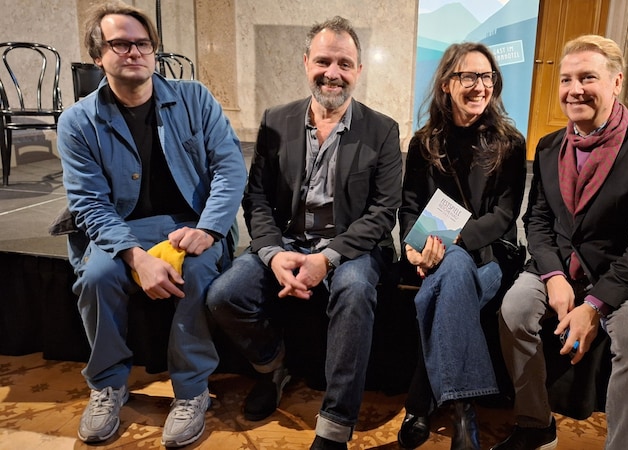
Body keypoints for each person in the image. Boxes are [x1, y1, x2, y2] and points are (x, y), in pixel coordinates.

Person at [205, 16, 402, 450]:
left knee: (353, 293)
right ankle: (272, 366)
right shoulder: (277, 120)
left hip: (352, 247)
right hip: (288, 241)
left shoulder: (382, 129)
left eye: (345, 64)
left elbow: (383, 212)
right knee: (224, 295)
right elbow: (256, 197)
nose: (333, 73)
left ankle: (334, 425)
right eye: (324, 61)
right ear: (305, 62)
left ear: (359, 71)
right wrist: (274, 254)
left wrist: (327, 258)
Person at [56, 1, 247, 447]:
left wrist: (210, 229)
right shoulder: (78, 122)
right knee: (99, 275)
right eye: (120, 43)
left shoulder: (195, 98)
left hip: (191, 223)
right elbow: (88, 202)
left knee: (198, 271)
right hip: (120, 227)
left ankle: (192, 391)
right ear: (97, 54)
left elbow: (230, 168)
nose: (133, 52)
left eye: (142, 43)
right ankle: (107, 384)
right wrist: (133, 256)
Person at [493, 34, 628, 450]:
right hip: (558, 263)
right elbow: (537, 220)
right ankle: (535, 423)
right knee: (515, 309)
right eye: (566, 79)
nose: (574, 89)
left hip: (623, 274)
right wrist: (554, 276)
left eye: (588, 78)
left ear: (616, 82)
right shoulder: (548, 147)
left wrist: (594, 306)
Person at [397, 42, 527, 450]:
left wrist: (449, 242)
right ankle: (463, 411)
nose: (479, 85)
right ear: (446, 84)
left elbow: (504, 217)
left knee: (446, 277)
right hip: (434, 253)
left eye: (487, 77)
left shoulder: (511, 142)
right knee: (450, 274)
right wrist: (413, 248)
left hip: (492, 253)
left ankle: (421, 402)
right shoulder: (424, 143)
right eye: (468, 76)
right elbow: (410, 207)